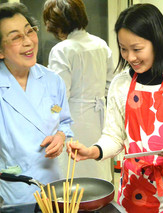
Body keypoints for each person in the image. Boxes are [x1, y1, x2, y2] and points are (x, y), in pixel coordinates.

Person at [67, 3, 163, 212]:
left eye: (137, 49)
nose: (130, 57)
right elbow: (114, 136)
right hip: (135, 190)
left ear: (158, 41)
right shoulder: (120, 84)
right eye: (123, 49)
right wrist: (93, 151)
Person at [0, 2, 73, 205]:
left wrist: (61, 136)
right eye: (16, 37)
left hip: (52, 187)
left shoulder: (53, 81)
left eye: (30, 31)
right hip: (10, 191)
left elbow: (65, 123)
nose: (28, 42)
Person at [43, 0, 114, 181]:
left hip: (72, 118)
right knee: (97, 170)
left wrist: (49, 118)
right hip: (99, 117)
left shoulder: (61, 50)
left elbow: (59, 97)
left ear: (56, 24)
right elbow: (111, 84)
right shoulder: (101, 44)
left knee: (72, 173)